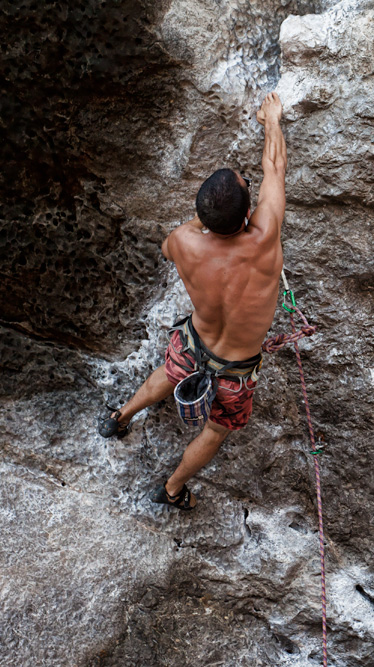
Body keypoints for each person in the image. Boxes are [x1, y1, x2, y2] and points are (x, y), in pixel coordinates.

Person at [97, 91, 287, 510]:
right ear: (245, 216)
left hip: (191, 345)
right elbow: (274, 166)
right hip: (236, 372)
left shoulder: (184, 242)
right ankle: (172, 489)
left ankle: (120, 417)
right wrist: (271, 119)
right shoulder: (264, 235)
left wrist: (202, 219)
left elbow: (169, 247)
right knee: (217, 429)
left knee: (170, 371)